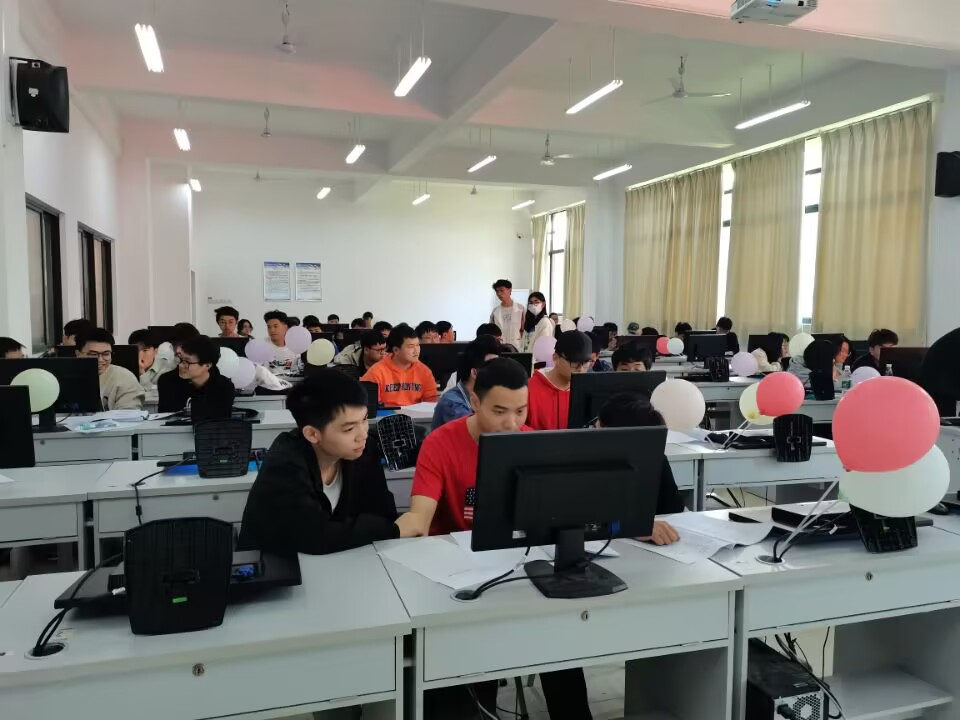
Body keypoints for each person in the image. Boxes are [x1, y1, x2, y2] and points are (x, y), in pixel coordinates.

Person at [409, 358, 594, 720]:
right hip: (458, 579)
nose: (511, 423)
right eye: (499, 411)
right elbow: (421, 515)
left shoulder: (534, 444)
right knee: (475, 667)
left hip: (522, 571)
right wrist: (403, 528)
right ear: (475, 402)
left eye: (520, 411)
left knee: (563, 645)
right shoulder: (440, 444)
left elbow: (563, 513)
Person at [237, 370, 420, 556]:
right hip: (278, 563)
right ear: (312, 434)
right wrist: (390, 530)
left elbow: (382, 511)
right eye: (349, 429)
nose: (362, 434)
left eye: (364, 419)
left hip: (345, 558)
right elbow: (313, 535)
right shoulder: (284, 463)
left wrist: (383, 528)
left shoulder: (362, 449)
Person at [596, 392, 683, 545]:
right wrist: (632, 527)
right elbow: (578, 522)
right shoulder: (588, 465)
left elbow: (674, 512)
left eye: (597, 425)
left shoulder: (656, 460)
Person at [431, 335, 502, 430]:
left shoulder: (485, 397)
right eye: (492, 367)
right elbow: (475, 433)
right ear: (474, 373)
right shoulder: (452, 404)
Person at [157, 334, 235, 419]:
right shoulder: (167, 381)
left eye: (187, 362)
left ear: (207, 365)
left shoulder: (224, 386)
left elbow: (222, 421)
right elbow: (163, 417)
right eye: (181, 359)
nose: (181, 365)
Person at [527, 330, 593, 430]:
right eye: (574, 362)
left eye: (586, 362)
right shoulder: (528, 389)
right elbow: (516, 426)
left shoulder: (588, 392)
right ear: (555, 358)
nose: (580, 369)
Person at [360, 325, 438, 407]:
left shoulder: (424, 372)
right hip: (387, 414)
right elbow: (368, 407)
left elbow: (431, 404)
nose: (416, 351)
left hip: (417, 415)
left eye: (418, 345)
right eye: (411, 347)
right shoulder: (376, 373)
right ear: (396, 350)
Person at [76, 327, 145, 411]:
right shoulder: (63, 376)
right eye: (93, 354)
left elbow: (128, 413)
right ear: (78, 354)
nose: (100, 360)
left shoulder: (125, 378)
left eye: (106, 354)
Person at [490, 279, 525, 350]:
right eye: (497, 291)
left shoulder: (521, 309)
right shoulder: (495, 311)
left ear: (510, 290)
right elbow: (491, 331)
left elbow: (524, 330)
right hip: (500, 347)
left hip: (517, 346)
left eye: (501, 290)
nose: (499, 294)